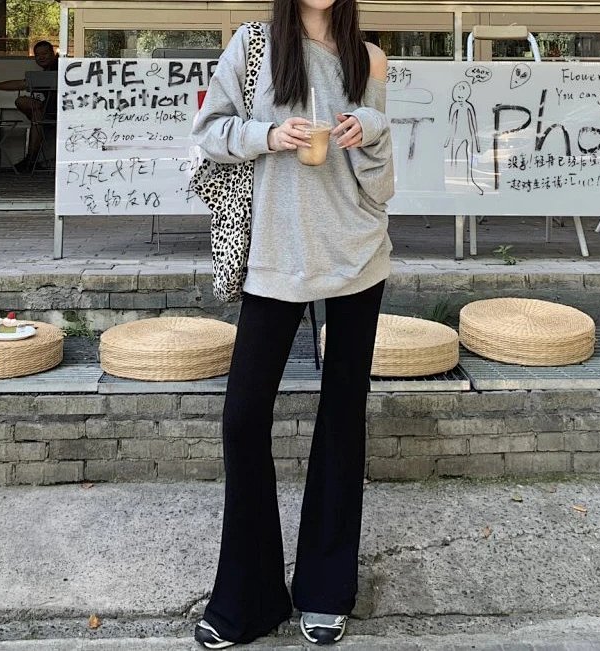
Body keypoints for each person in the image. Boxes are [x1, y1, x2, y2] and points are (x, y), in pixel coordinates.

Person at [189, 0, 393, 647]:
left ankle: (325, 590)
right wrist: (268, 136)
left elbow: (381, 187)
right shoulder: (253, 46)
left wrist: (371, 132)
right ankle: (247, 597)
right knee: (243, 416)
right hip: (275, 256)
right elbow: (209, 132)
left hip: (355, 251)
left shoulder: (370, 59)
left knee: (342, 414)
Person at [0, 40, 59, 172]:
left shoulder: (58, 68)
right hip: (46, 113)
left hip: (60, 115)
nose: (41, 57)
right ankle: (31, 160)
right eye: (37, 55)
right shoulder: (45, 73)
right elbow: (22, 84)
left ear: (52, 53)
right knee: (24, 103)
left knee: (36, 115)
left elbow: (22, 84)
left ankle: (31, 160)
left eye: (45, 53)